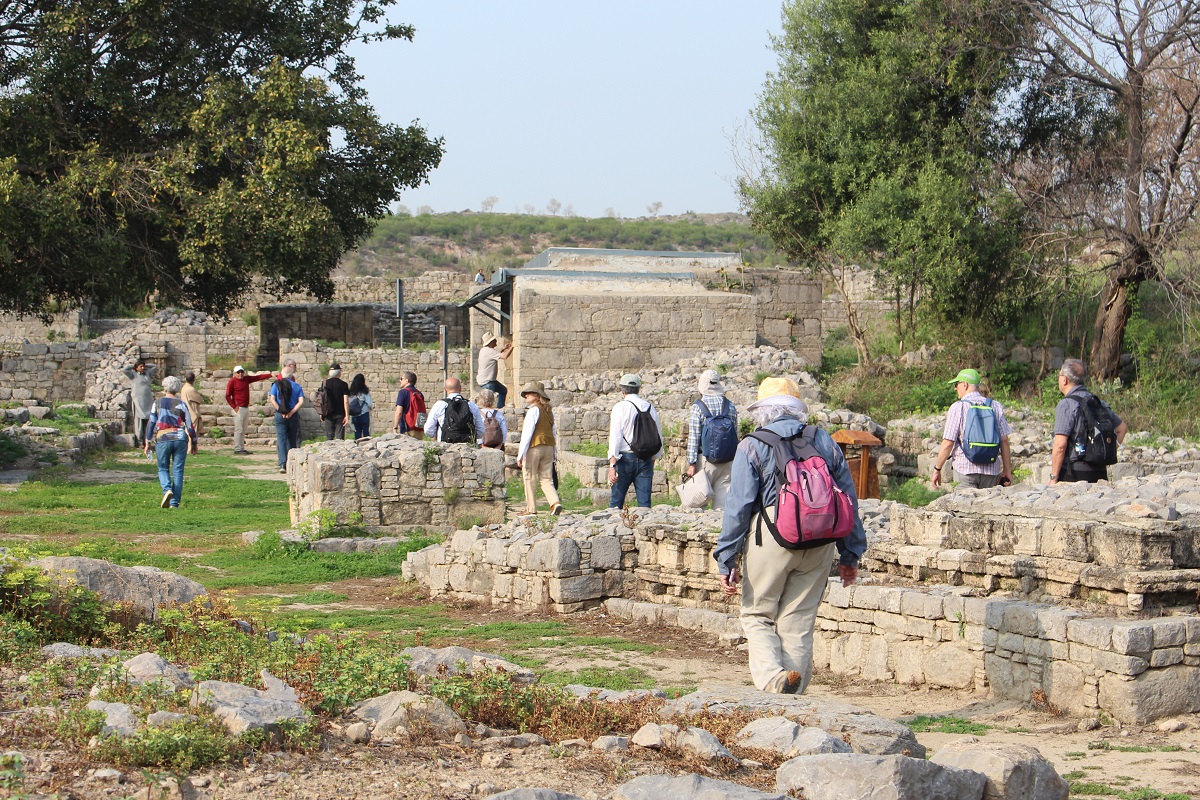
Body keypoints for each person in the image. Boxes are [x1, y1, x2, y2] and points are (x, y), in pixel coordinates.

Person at [713, 377, 867, 694]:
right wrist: (850, 555)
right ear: (796, 410)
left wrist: (726, 558)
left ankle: (772, 678)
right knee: (797, 621)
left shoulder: (752, 444)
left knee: (757, 613)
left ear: (762, 412)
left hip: (771, 536)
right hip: (821, 540)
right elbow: (848, 502)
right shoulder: (824, 441)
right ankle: (792, 694)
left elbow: (738, 506)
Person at [931, 368, 1013, 489]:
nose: (955, 388)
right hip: (991, 471)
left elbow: (948, 442)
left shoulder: (958, 407)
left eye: (956, 384)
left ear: (965, 384)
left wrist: (937, 469)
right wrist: (1007, 470)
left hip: (965, 469)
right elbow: (1004, 440)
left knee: (963, 506)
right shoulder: (995, 406)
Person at [1050, 358, 1128, 484]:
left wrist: (1053, 477)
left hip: (1073, 473)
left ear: (1064, 379)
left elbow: (1060, 445)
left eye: (1059, 375)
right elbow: (1122, 428)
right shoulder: (1098, 402)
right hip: (1100, 472)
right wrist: (1105, 452)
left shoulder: (1066, 404)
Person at [606, 373, 663, 509]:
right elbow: (657, 435)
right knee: (644, 505)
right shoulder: (649, 407)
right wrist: (654, 458)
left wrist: (612, 465)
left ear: (622, 390)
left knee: (616, 503)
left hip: (624, 458)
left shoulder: (619, 407)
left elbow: (615, 436)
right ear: (639, 389)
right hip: (646, 459)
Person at [684, 369, 739, 510]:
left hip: (706, 460)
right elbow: (735, 433)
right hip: (727, 460)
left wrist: (692, 463)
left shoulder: (698, 407)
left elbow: (694, 437)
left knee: (697, 503)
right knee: (722, 504)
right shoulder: (730, 406)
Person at [143, 376, 197, 509]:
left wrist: (147, 441)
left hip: (163, 438)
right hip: (180, 438)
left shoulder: (158, 402)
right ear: (177, 389)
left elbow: (151, 423)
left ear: (164, 388)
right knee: (178, 471)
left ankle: (167, 489)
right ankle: (174, 503)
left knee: (163, 467)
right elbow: (189, 425)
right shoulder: (182, 404)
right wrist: (194, 442)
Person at [516, 382, 562, 516]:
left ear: (537, 396)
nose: (526, 396)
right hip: (548, 447)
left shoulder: (533, 411)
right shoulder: (549, 412)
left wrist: (521, 455)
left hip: (535, 447)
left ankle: (531, 509)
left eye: (529, 393)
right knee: (546, 478)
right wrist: (555, 452)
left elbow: (527, 433)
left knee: (529, 476)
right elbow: (553, 433)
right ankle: (555, 503)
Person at [224, 365, 272, 454]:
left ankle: (241, 447)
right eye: (238, 372)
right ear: (234, 373)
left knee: (243, 429)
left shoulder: (246, 379)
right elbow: (227, 395)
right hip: (238, 408)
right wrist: (234, 407)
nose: (240, 374)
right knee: (239, 429)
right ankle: (237, 448)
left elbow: (258, 377)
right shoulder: (232, 381)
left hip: (245, 407)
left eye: (242, 371)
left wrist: (270, 375)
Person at [424, 377, 485, 444]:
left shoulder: (440, 405)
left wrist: (436, 435)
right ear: (460, 388)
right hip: (468, 446)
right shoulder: (471, 405)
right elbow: (481, 431)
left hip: (446, 445)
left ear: (445, 389)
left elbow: (428, 429)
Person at [269, 365, 305, 473]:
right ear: (291, 375)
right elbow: (301, 401)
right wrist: (292, 412)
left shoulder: (276, 385)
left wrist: (281, 410)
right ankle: (292, 462)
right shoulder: (297, 386)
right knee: (292, 438)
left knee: (281, 438)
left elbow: (272, 399)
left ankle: (283, 464)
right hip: (293, 416)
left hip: (280, 415)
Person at [123, 359, 157, 447]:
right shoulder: (133, 375)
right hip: (138, 401)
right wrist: (134, 365)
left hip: (147, 400)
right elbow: (125, 370)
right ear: (137, 368)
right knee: (139, 421)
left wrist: (145, 365)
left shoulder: (147, 374)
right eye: (140, 366)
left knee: (148, 420)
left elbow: (155, 366)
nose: (142, 368)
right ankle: (140, 441)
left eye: (143, 366)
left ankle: (147, 440)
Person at [477, 333, 513, 407]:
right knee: (488, 403)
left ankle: (499, 409)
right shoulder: (490, 351)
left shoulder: (484, 350)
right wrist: (512, 347)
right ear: (491, 342)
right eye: (494, 340)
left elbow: (494, 355)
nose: (496, 341)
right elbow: (504, 356)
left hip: (487, 380)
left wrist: (503, 349)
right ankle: (493, 414)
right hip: (488, 382)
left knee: (503, 390)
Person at [318, 363, 351, 440]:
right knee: (340, 437)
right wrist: (347, 415)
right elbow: (345, 401)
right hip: (340, 413)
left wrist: (321, 413)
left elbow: (321, 399)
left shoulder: (324, 383)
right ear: (339, 373)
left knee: (329, 436)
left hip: (327, 412)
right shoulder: (343, 384)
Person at [391, 371, 426, 440]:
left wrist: (395, 428)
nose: (400, 380)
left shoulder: (403, 392)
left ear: (406, 381)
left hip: (407, 428)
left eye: (401, 378)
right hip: (419, 428)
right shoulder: (419, 393)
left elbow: (399, 412)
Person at [179, 372, 206, 439]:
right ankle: (190, 449)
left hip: (186, 412)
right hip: (192, 413)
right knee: (192, 434)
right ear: (194, 379)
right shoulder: (190, 389)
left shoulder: (184, 388)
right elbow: (200, 399)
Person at [348, 373, 374, 440]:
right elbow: (370, 404)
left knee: (357, 434)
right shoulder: (364, 392)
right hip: (364, 414)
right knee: (366, 434)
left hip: (354, 415)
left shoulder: (351, 392)